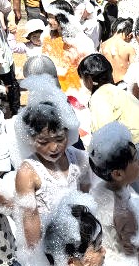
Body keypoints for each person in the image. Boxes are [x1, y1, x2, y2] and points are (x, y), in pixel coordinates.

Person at [77, 53, 139, 193]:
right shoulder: (117, 91)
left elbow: (105, 133)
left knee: (132, 197)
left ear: (88, 79)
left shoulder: (99, 96)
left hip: (138, 145)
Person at [15, 100, 91, 248]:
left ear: (69, 133)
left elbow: (87, 199)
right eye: (43, 142)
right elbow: (30, 219)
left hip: (81, 235)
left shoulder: (79, 158)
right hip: (49, 243)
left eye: (59, 139)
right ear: (30, 140)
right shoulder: (28, 172)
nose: (54, 147)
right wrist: (36, 257)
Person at [87, 123, 139, 266]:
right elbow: (134, 254)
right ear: (118, 174)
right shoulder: (124, 212)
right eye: (135, 159)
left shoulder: (101, 188)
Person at [99, 16, 137, 82]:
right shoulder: (129, 48)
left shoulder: (103, 45)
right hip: (122, 85)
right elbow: (134, 73)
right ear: (128, 33)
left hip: (107, 85)